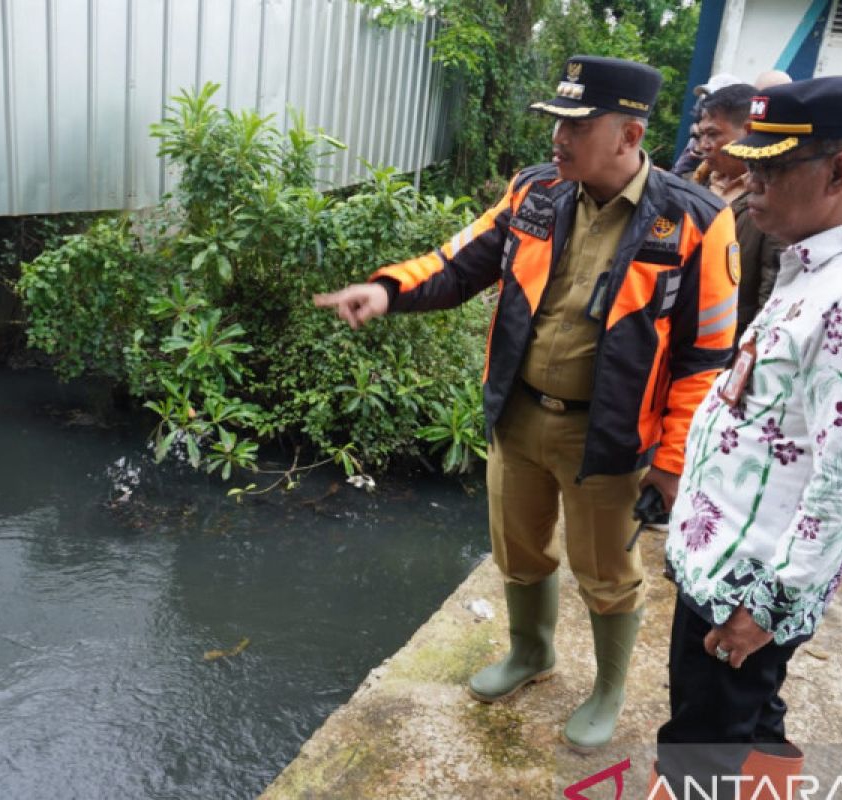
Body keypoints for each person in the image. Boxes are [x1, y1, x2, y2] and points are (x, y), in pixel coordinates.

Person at [314, 55, 738, 752]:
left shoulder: (695, 220)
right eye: (556, 121)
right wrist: (387, 291)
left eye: (577, 124)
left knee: (607, 573)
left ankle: (607, 688)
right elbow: (457, 262)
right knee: (519, 550)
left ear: (629, 134)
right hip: (519, 415)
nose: (558, 137)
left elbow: (706, 358)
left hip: (608, 437)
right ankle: (530, 653)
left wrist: (671, 461)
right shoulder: (535, 192)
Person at [648, 76, 842, 797]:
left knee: (699, 751)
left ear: (838, 172)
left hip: (750, 583)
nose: (750, 182)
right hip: (729, 558)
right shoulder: (818, 264)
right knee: (746, 725)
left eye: (771, 169)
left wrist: (764, 612)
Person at [695, 83, 786, 339]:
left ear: (747, 132)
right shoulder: (691, 185)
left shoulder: (768, 199)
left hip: (730, 341)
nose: (704, 145)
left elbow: (772, 284)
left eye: (713, 135)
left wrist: (749, 349)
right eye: (701, 135)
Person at [672, 73, 743, 178]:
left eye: (713, 134)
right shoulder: (698, 133)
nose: (706, 102)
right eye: (706, 97)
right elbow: (679, 173)